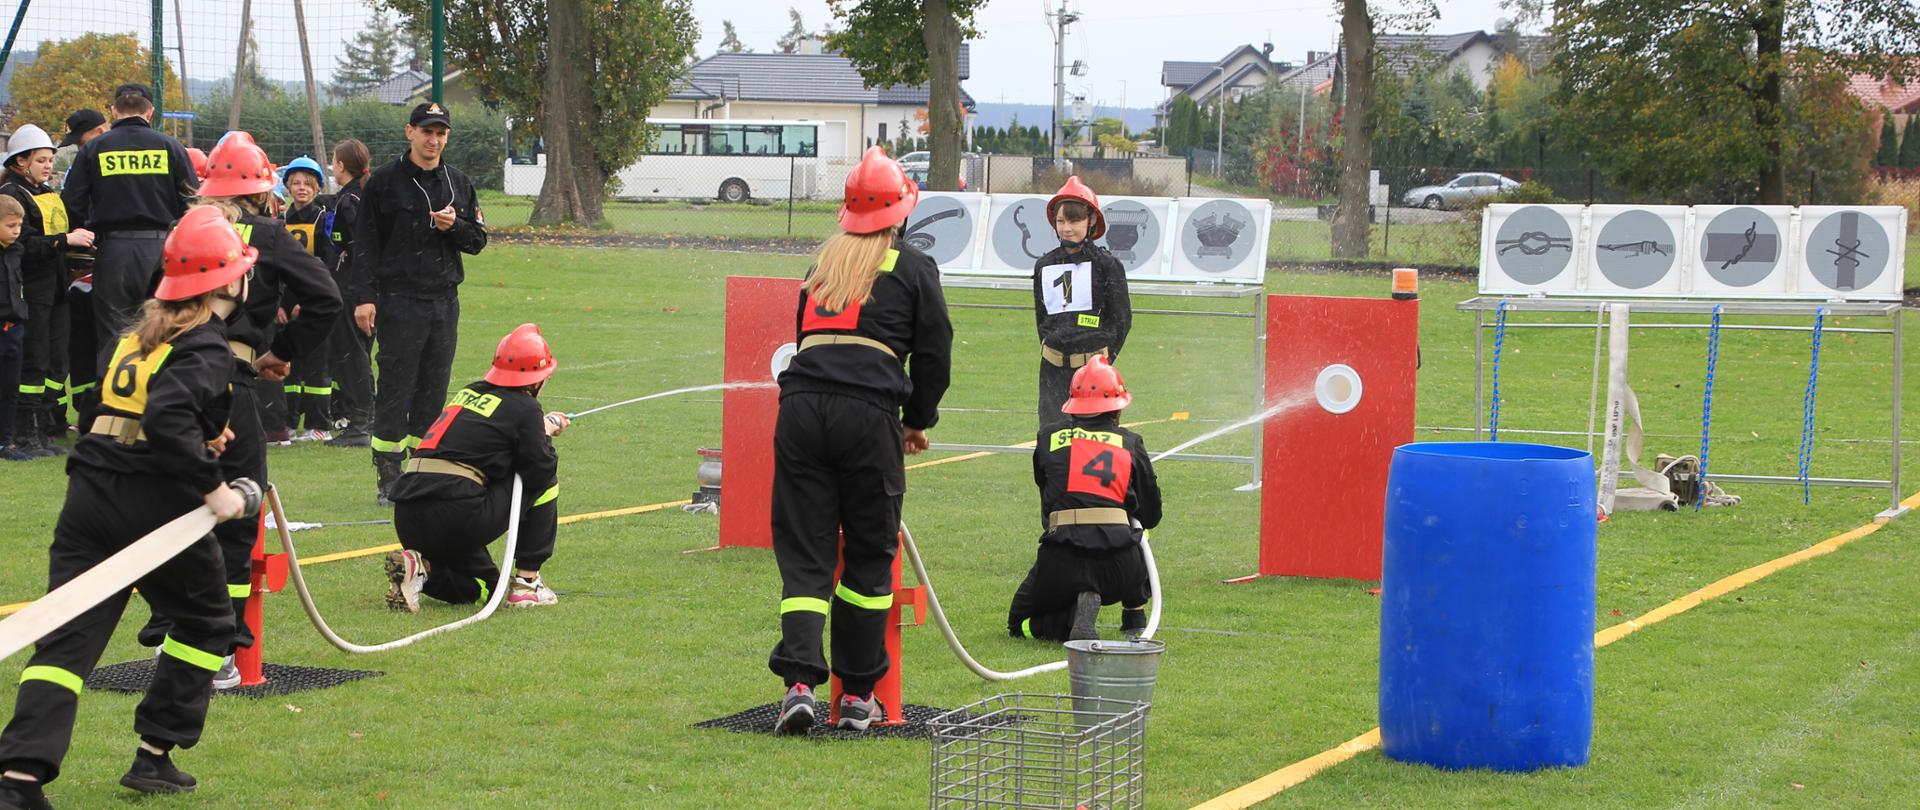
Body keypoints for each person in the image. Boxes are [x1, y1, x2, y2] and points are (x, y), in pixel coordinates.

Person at [0, 205, 258, 809]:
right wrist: (213, 487)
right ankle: (155, 753)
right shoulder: (207, 346)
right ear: (225, 282)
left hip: (89, 495)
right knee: (207, 624)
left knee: (66, 639)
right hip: (155, 507)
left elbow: (106, 407)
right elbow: (166, 416)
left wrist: (199, 432)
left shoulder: (137, 334)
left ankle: (19, 780)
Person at [133, 132, 339, 686]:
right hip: (230, 379)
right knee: (235, 513)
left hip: (169, 374)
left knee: (172, 501)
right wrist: (281, 352)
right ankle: (215, 647)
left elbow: (155, 296)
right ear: (261, 190)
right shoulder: (268, 231)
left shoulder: (187, 229)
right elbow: (325, 297)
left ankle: (170, 624)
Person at [769, 146, 953, 735]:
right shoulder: (914, 265)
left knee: (806, 555)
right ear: (901, 211)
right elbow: (934, 352)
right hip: (867, 414)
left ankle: (798, 684)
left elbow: (805, 335)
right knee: (871, 557)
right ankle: (857, 696)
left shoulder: (821, 260)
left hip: (800, 409)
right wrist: (916, 418)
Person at [347, 102, 488, 504]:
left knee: (433, 388)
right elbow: (366, 245)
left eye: (441, 132)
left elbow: (477, 241)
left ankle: (422, 469)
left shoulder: (458, 182)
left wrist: (453, 227)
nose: (434, 139)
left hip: (444, 301)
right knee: (396, 386)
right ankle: (388, 475)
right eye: (427, 131)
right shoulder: (384, 183)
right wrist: (364, 298)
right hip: (399, 300)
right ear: (411, 132)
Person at [384, 324, 567, 613]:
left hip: (409, 516)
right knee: (548, 482)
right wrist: (544, 431)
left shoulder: (469, 393)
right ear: (538, 379)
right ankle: (527, 584)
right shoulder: (526, 408)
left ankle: (421, 569)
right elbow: (539, 470)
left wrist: (537, 428)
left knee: (488, 589)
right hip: (457, 515)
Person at [1008, 356, 1162, 642]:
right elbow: (1151, 514)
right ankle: (1134, 616)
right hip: (1122, 569)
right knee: (1138, 526)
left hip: (1063, 560)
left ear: (1073, 405)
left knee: (1020, 624)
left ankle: (1071, 615)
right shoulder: (1131, 443)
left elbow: (1048, 506)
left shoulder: (1047, 437)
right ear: (1117, 408)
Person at [60, 84, 197, 370]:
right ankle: (158, 405)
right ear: (150, 111)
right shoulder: (171, 146)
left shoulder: (95, 148)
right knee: (163, 330)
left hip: (113, 253)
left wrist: (87, 234)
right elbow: (193, 203)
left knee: (114, 335)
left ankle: (113, 407)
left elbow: (72, 203)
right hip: (163, 252)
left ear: (114, 111)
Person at [2, 125, 96, 458]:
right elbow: (21, 244)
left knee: (57, 363)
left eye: (49, 159)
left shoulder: (44, 190)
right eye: (41, 160)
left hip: (56, 287)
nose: (47, 166)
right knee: (34, 362)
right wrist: (64, 241)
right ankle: (25, 434)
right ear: (20, 161)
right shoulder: (12, 194)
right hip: (33, 290)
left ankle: (45, 429)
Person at [1032, 176, 1130, 427]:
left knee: (1091, 440)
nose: (1066, 228)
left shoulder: (1107, 266)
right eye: (1061, 221)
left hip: (1094, 376)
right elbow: (1042, 320)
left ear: (1092, 220)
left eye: (1074, 220)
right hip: (1052, 373)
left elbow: (1121, 321)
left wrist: (1100, 363)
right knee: (1052, 442)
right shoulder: (1044, 266)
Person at [54, 111, 111, 436]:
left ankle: (96, 416)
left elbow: (73, 205)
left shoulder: (93, 161)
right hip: (86, 267)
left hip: (96, 264)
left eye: (81, 140)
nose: (78, 148)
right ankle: (88, 415)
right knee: (81, 348)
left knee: (93, 344)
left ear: (99, 131)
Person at [276, 156, 337, 442]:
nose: (301, 188)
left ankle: (319, 424)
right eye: (296, 183)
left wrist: (308, 300)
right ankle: (288, 421)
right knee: (288, 365)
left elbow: (327, 262)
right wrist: (279, 304)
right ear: (287, 186)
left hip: (313, 302)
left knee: (317, 366)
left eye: (307, 184)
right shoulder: (280, 221)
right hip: (285, 303)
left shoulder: (323, 219)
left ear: (316, 188)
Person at [322, 139, 373, 447]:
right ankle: (369, 416)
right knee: (359, 352)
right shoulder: (356, 195)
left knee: (352, 353)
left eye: (334, 161)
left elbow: (360, 245)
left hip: (353, 287)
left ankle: (360, 422)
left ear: (341, 165)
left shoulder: (350, 201)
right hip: (359, 285)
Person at [0, 196, 28, 461]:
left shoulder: (17, 250)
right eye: (10, 225)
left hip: (14, 328)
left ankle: (6, 443)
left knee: (10, 389)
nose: (16, 230)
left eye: (19, 224)